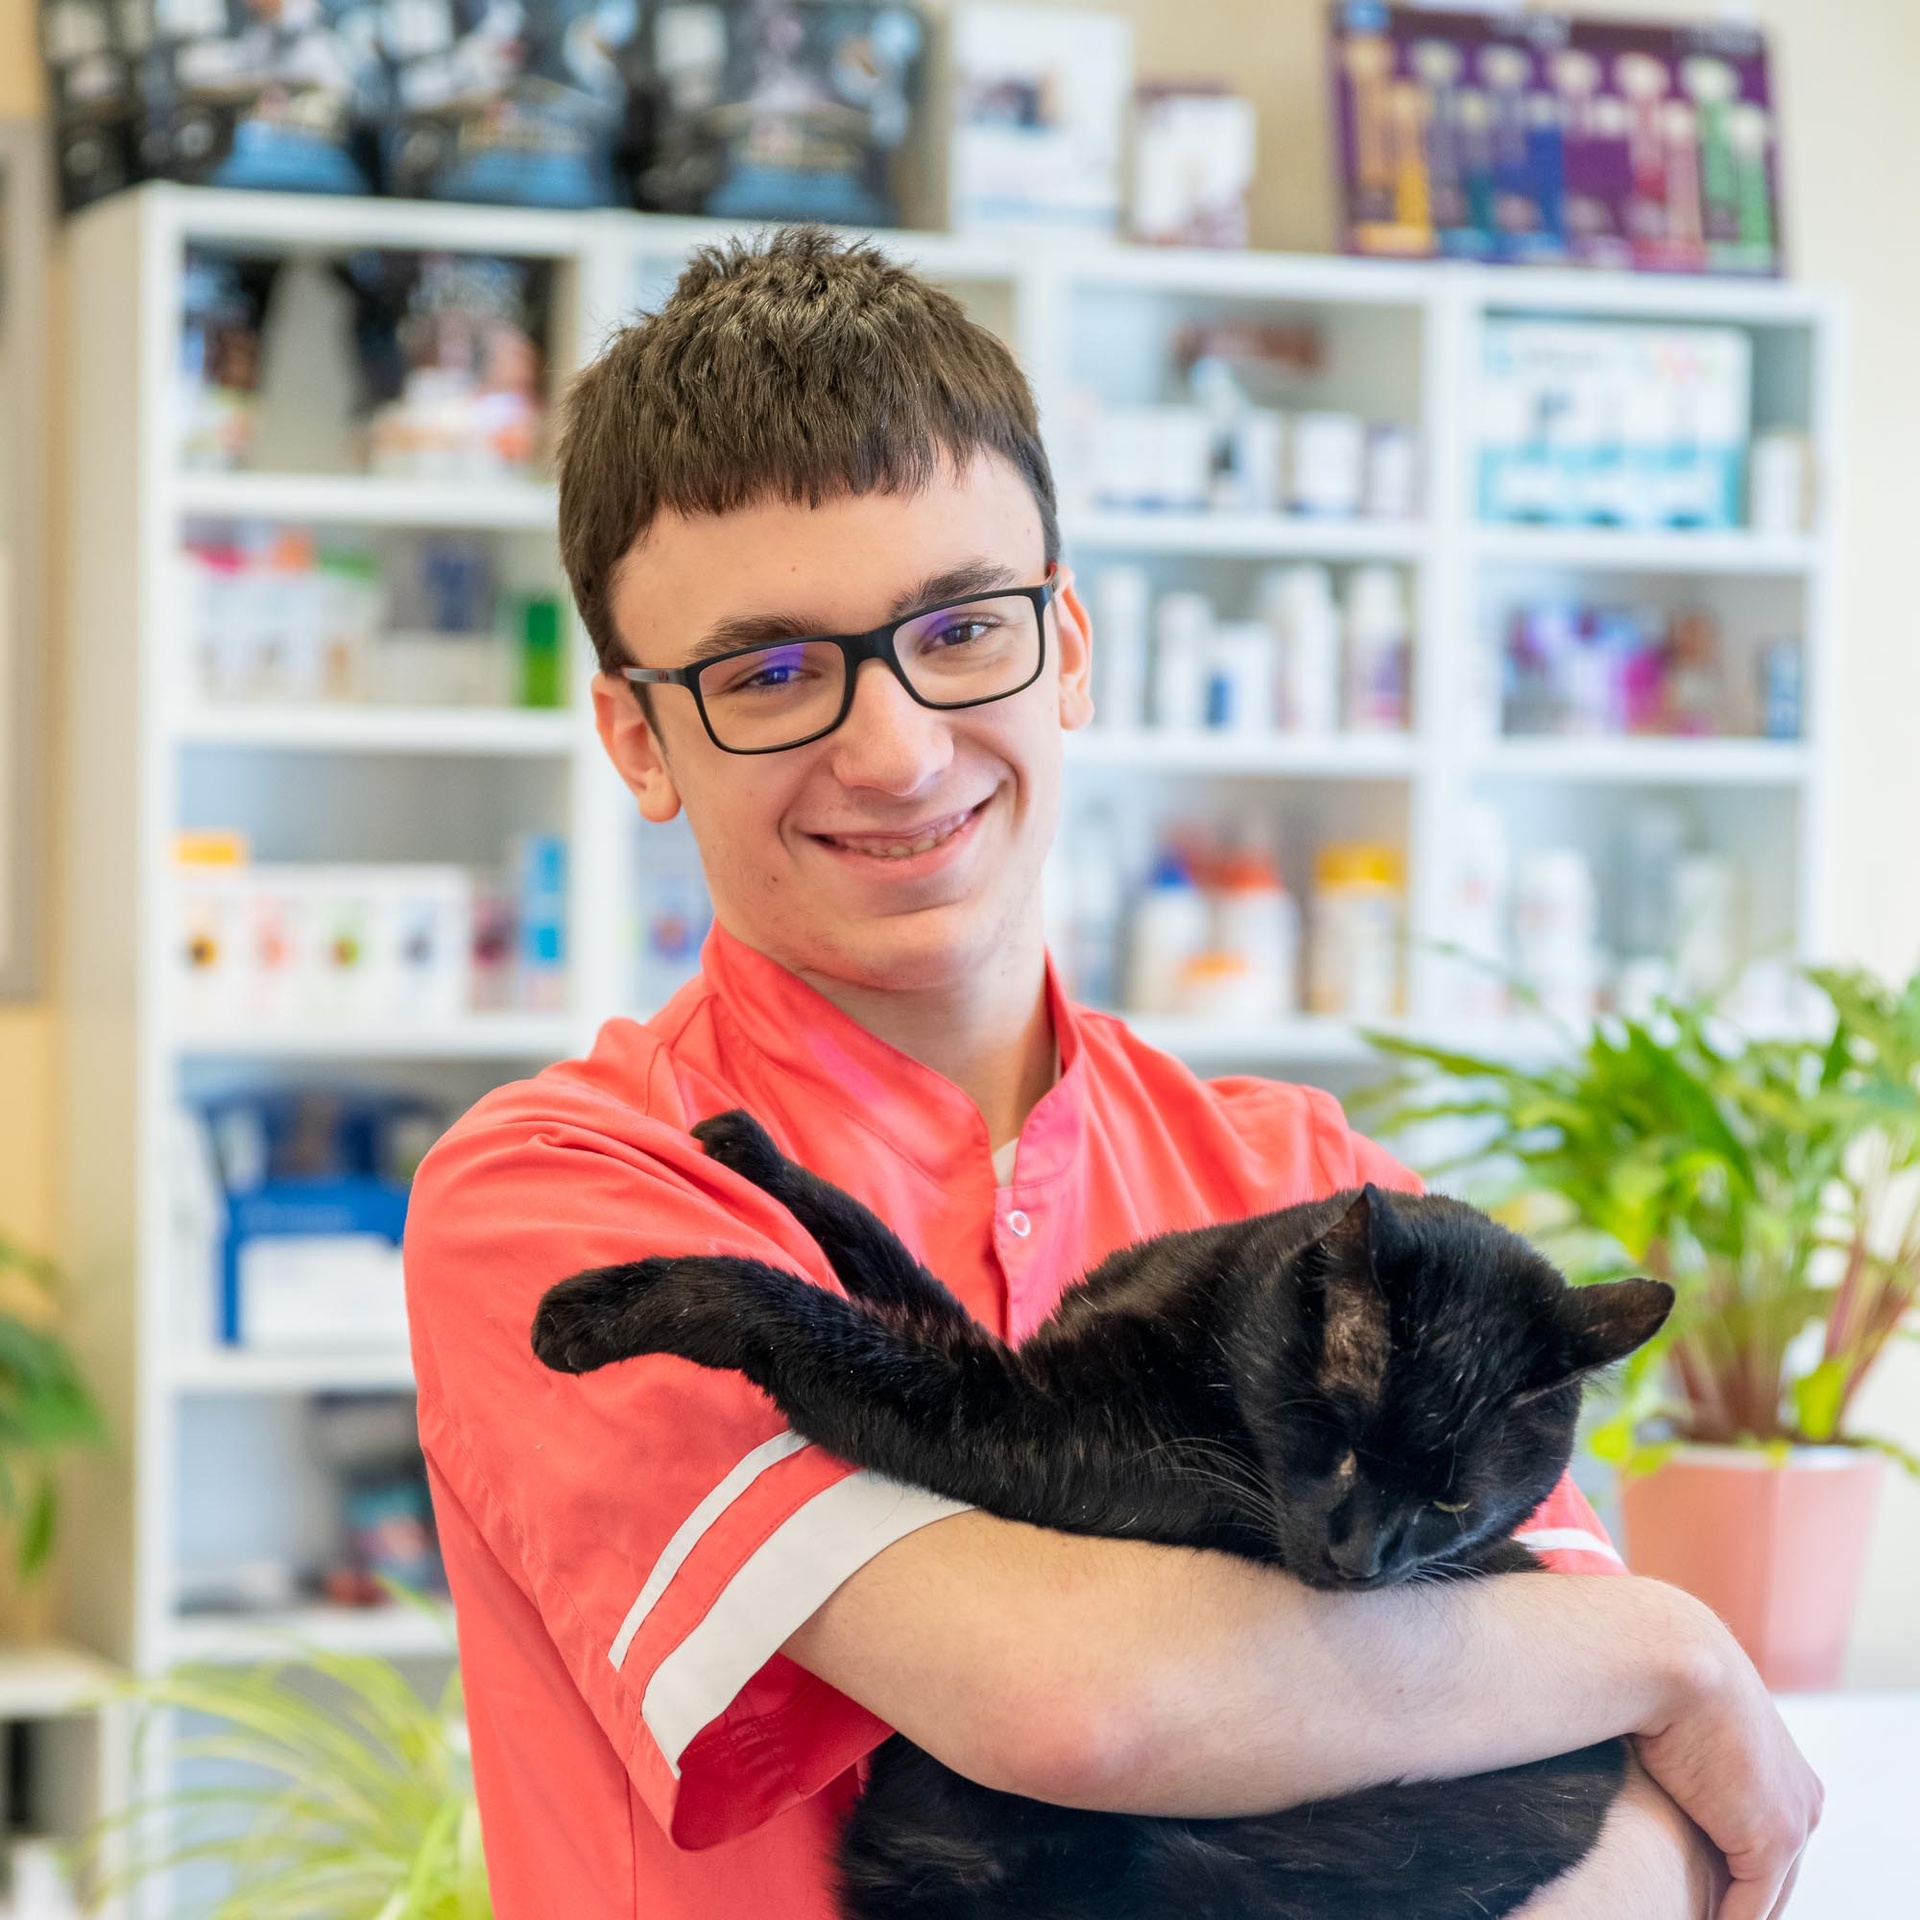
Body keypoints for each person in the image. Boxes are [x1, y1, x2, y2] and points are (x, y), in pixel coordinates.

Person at [404, 229, 1820, 1920]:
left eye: (960, 628)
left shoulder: (1317, 1189)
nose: (897, 750)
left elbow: (1652, 1828)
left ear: (1067, 645)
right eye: (770, 673)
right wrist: (1668, 1648)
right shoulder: (571, 1197)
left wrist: (1635, 1678)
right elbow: (1070, 1702)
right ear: (641, 738)